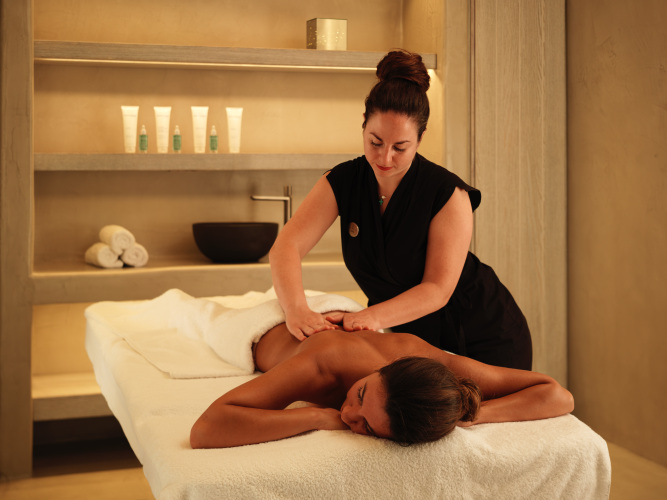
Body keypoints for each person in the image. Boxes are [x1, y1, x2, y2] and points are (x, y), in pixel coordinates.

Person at [268, 49, 533, 370]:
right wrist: (297, 309)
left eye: (400, 147)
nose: (385, 157)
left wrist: (369, 317)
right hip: (409, 339)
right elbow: (287, 245)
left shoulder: (447, 194)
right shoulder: (343, 181)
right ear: (363, 125)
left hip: (483, 336)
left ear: (420, 139)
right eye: (375, 142)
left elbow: (437, 290)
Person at [190, 318, 573, 449]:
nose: (348, 414)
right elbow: (207, 428)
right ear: (387, 368)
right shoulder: (322, 364)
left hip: (346, 318)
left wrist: (468, 415)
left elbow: (556, 395)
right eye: (360, 394)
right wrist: (315, 418)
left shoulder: (431, 368)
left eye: (368, 427)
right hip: (269, 325)